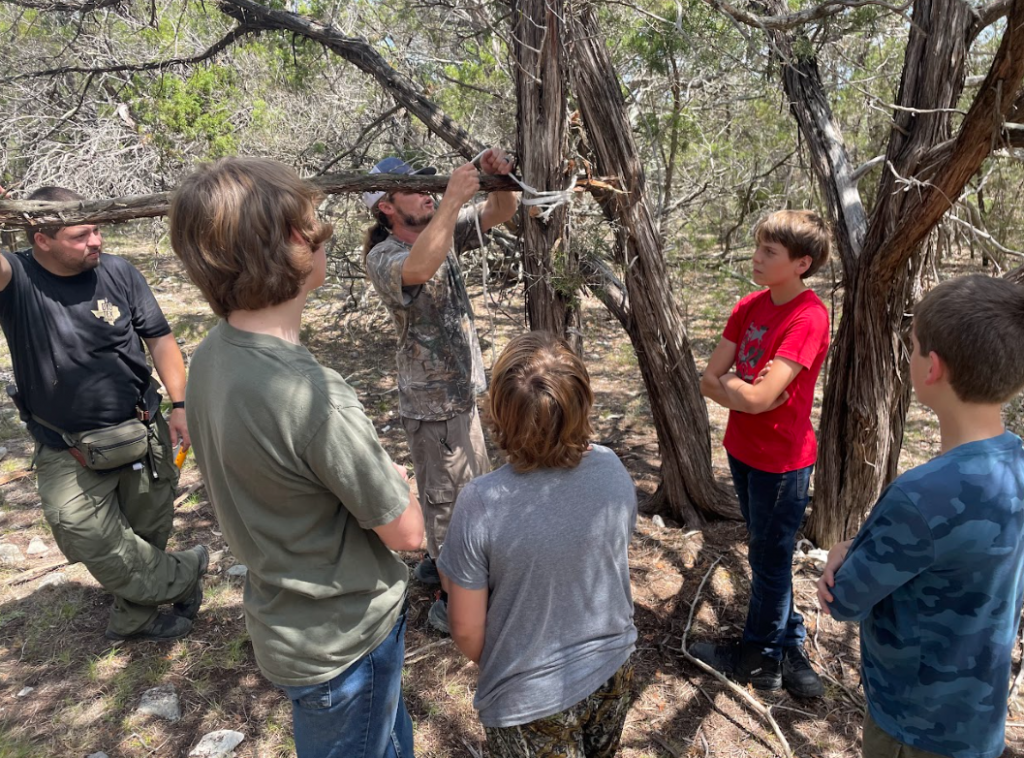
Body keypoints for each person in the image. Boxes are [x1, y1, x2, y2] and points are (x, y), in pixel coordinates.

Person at [171, 157, 424, 758]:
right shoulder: (315, 395)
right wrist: (395, 478)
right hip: (346, 642)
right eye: (311, 222)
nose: (322, 233)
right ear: (291, 241)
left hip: (288, 626)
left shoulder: (210, 355)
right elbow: (408, 532)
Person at [817, 275, 1024, 758]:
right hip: (979, 716)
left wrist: (842, 552)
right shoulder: (1016, 461)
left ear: (931, 367)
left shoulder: (921, 496)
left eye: (911, 348)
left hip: (911, 725)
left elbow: (844, 600)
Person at [0, 187, 206, 641]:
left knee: (147, 528)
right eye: (80, 235)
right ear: (41, 239)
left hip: (142, 426)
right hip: (66, 443)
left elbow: (160, 339)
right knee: (81, 529)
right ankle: (186, 573)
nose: (96, 241)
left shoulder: (119, 271)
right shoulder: (17, 277)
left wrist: (181, 405)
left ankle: (137, 617)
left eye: (97, 229)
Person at [438, 331, 637, 758]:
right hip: (613, 670)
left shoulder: (481, 502)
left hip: (528, 698)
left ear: (499, 412)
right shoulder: (612, 468)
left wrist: (510, 660)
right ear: (583, 403)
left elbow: (467, 630)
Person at [363, 149, 518, 633]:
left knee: (471, 493)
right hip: (431, 405)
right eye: (413, 188)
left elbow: (501, 210)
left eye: (427, 185)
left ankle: (445, 566)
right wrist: (450, 201)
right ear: (386, 206)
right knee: (449, 503)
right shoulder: (383, 255)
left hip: (462, 394)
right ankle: (454, 605)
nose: (426, 193)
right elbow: (419, 268)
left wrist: (500, 177)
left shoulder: (441, 227)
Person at [689, 209, 832, 698]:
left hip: (783, 461)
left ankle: (757, 658)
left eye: (770, 252)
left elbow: (748, 395)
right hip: (742, 450)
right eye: (759, 247)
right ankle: (787, 644)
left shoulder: (808, 317)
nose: (757, 257)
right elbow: (712, 380)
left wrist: (738, 387)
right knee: (766, 553)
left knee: (770, 560)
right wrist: (742, 387)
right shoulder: (749, 307)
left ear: (801, 263)